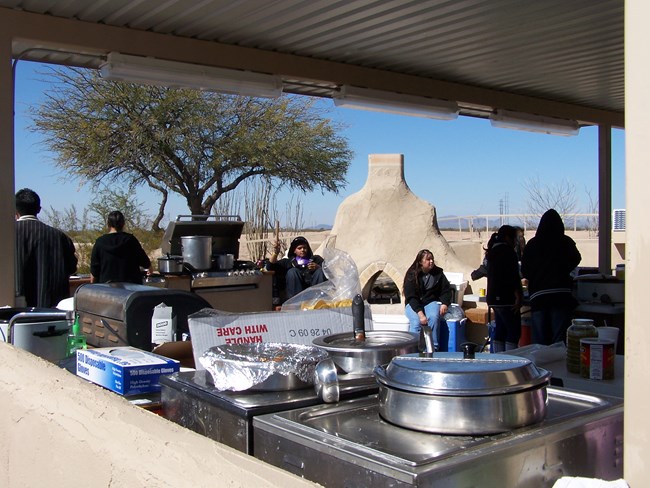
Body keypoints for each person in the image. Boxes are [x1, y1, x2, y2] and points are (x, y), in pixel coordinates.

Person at [521, 209, 582, 345]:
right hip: (561, 296)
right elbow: (576, 259)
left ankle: (539, 365)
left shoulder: (532, 244)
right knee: (559, 341)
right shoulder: (565, 242)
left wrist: (536, 276)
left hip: (538, 296)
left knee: (540, 342)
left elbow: (525, 270)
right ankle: (557, 366)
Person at [15, 188, 78, 307]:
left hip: (15, 313)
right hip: (52, 312)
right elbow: (71, 268)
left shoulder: (7, 236)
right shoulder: (60, 237)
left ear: (15, 210)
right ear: (39, 209)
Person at [403, 249, 453, 347]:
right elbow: (411, 297)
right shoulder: (412, 275)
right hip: (414, 304)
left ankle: (433, 347)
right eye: (428, 259)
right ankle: (414, 348)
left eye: (432, 259)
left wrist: (445, 303)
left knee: (433, 318)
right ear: (421, 262)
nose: (431, 261)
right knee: (416, 322)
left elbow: (446, 290)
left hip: (430, 302)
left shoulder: (438, 273)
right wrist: (421, 314)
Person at [485, 225, 523, 352]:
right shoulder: (508, 252)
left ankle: (499, 359)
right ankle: (510, 360)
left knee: (500, 330)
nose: (515, 242)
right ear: (508, 237)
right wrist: (518, 295)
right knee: (513, 331)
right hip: (506, 297)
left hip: (493, 298)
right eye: (514, 238)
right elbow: (512, 276)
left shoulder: (492, 252)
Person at [90, 210, 151, 284]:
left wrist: (92, 286)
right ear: (123, 224)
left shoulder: (100, 242)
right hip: (131, 289)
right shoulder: (130, 240)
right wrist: (150, 269)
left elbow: (94, 270)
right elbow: (145, 262)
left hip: (107, 289)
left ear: (108, 224)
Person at [267, 236, 327, 301]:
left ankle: (318, 303)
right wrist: (275, 253)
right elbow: (270, 267)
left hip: (315, 296)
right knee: (292, 272)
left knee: (320, 271)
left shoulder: (316, 259)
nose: (302, 250)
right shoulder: (288, 262)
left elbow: (329, 271)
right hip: (296, 297)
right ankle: (295, 304)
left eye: (304, 248)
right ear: (294, 250)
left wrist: (318, 267)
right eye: (299, 248)